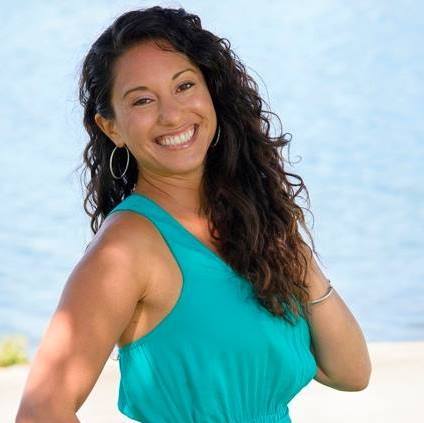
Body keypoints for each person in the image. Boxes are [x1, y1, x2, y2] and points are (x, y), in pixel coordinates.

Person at [16, 6, 371, 423]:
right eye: (143, 100)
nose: (172, 115)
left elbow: (350, 372)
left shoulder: (249, 224)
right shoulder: (126, 248)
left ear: (212, 93)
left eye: (184, 86)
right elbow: (40, 410)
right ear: (111, 128)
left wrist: (285, 241)